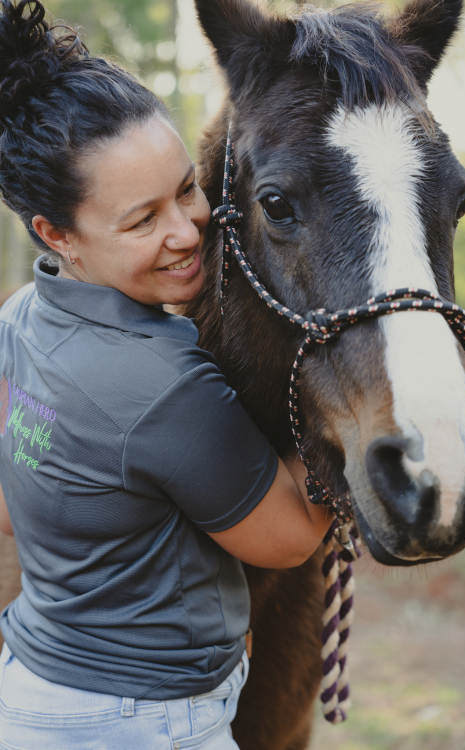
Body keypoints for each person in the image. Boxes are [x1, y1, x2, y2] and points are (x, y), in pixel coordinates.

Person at [0, 1, 332, 747]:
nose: (188, 231)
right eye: (142, 220)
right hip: (144, 724)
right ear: (55, 233)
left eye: (187, 189)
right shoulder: (163, 383)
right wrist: (339, 429)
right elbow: (285, 542)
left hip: (32, 688)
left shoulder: (21, 316)